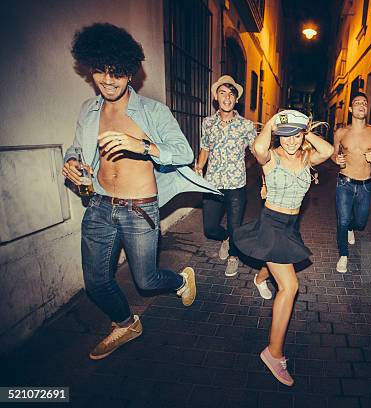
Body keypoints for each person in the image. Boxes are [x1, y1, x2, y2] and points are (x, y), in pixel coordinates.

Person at [62, 23, 218, 360]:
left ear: (130, 73)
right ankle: (125, 323)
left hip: (140, 208)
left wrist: (142, 144)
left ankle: (179, 282)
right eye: (100, 71)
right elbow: (77, 148)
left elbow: (184, 152)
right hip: (100, 206)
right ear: (90, 68)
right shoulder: (88, 111)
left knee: (146, 281)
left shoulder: (152, 112)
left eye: (116, 72)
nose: (107, 80)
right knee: (97, 283)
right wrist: (73, 162)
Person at [233, 110, 333, 386]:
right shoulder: (271, 157)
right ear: (278, 135)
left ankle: (259, 276)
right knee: (290, 287)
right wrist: (272, 124)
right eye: (285, 135)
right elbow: (258, 147)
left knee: (274, 262)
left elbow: (328, 149)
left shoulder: (307, 158)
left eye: (296, 135)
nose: (290, 141)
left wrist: (305, 131)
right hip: (271, 224)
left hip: (290, 225)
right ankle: (273, 353)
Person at [194, 75, 256, 277]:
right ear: (216, 97)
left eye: (231, 94)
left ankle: (233, 256)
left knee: (235, 226)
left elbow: (258, 151)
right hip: (212, 183)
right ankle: (226, 239)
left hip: (236, 184)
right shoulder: (208, 123)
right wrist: (199, 167)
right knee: (210, 228)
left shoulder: (247, 125)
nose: (227, 97)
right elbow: (205, 148)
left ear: (236, 99)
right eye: (223, 93)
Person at [332, 92, 371, 273]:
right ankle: (343, 256)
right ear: (350, 109)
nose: (361, 105)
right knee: (343, 220)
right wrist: (336, 160)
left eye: (364, 102)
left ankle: (350, 228)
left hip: (364, 184)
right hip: (344, 182)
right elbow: (333, 153)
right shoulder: (341, 132)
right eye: (357, 103)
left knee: (361, 222)